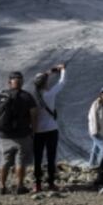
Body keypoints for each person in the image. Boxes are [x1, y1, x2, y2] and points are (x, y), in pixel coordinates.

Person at [0, 71, 38, 195]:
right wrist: (33, 131)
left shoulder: (2, 95)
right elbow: (34, 114)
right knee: (20, 162)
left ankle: (2, 186)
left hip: (4, 136)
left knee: (4, 162)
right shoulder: (27, 96)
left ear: (9, 82)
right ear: (22, 82)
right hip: (22, 135)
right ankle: (20, 185)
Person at [32, 63, 67, 192]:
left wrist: (51, 71)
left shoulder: (34, 94)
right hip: (51, 129)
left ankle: (38, 184)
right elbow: (62, 82)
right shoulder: (50, 94)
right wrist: (62, 70)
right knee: (51, 157)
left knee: (38, 158)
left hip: (38, 131)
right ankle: (51, 182)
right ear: (45, 83)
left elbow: (41, 78)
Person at [88, 87, 103, 167]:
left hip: (102, 131)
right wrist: (95, 128)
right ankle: (101, 166)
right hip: (95, 131)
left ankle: (91, 164)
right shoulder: (96, 103)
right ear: (101, 94)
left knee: (96, 148)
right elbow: (92, 116)